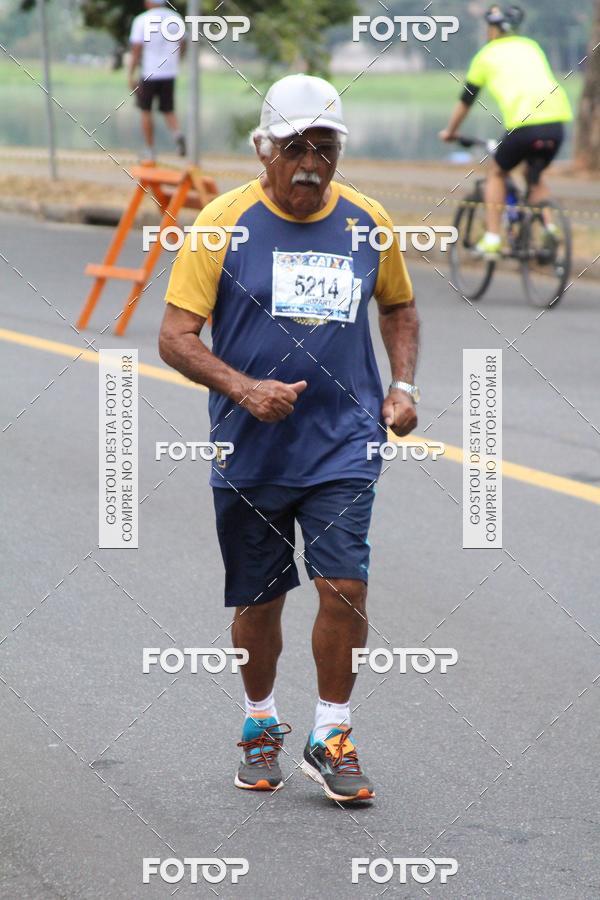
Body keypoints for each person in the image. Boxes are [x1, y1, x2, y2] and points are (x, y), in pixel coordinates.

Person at [158, 74, 420, 803]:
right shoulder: (222, 223)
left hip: (343, 445)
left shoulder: (368, 222)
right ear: (262, 150)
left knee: (344, 586)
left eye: (325, 146)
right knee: (261, 599)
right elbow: (175, 338)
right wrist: (242, 388)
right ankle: (260, 726)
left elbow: (399, 307)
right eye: (295, 146)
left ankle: (330, 734)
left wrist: (403, 387)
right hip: (251, 448)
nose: (310, 162)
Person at [440, 5, 572, 258]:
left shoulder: (486, 55)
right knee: (534, 173)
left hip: (524, 126)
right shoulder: (532, 47)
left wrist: (450, 131)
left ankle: (491, 238)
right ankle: (550, 228)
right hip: (557, 123)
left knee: (497, 172)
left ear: (493, 29)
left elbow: (466, 100)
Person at [128, 0, 187, 160]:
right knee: (168, 109)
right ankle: (177, 134)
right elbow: (183, 43)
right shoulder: (175, 18)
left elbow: (136, 50)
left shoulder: (141, 20)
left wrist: (130, 74)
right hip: (169, 72)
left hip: (149, 72)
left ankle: (150, 149)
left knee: (146, 110)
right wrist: (177, 60)